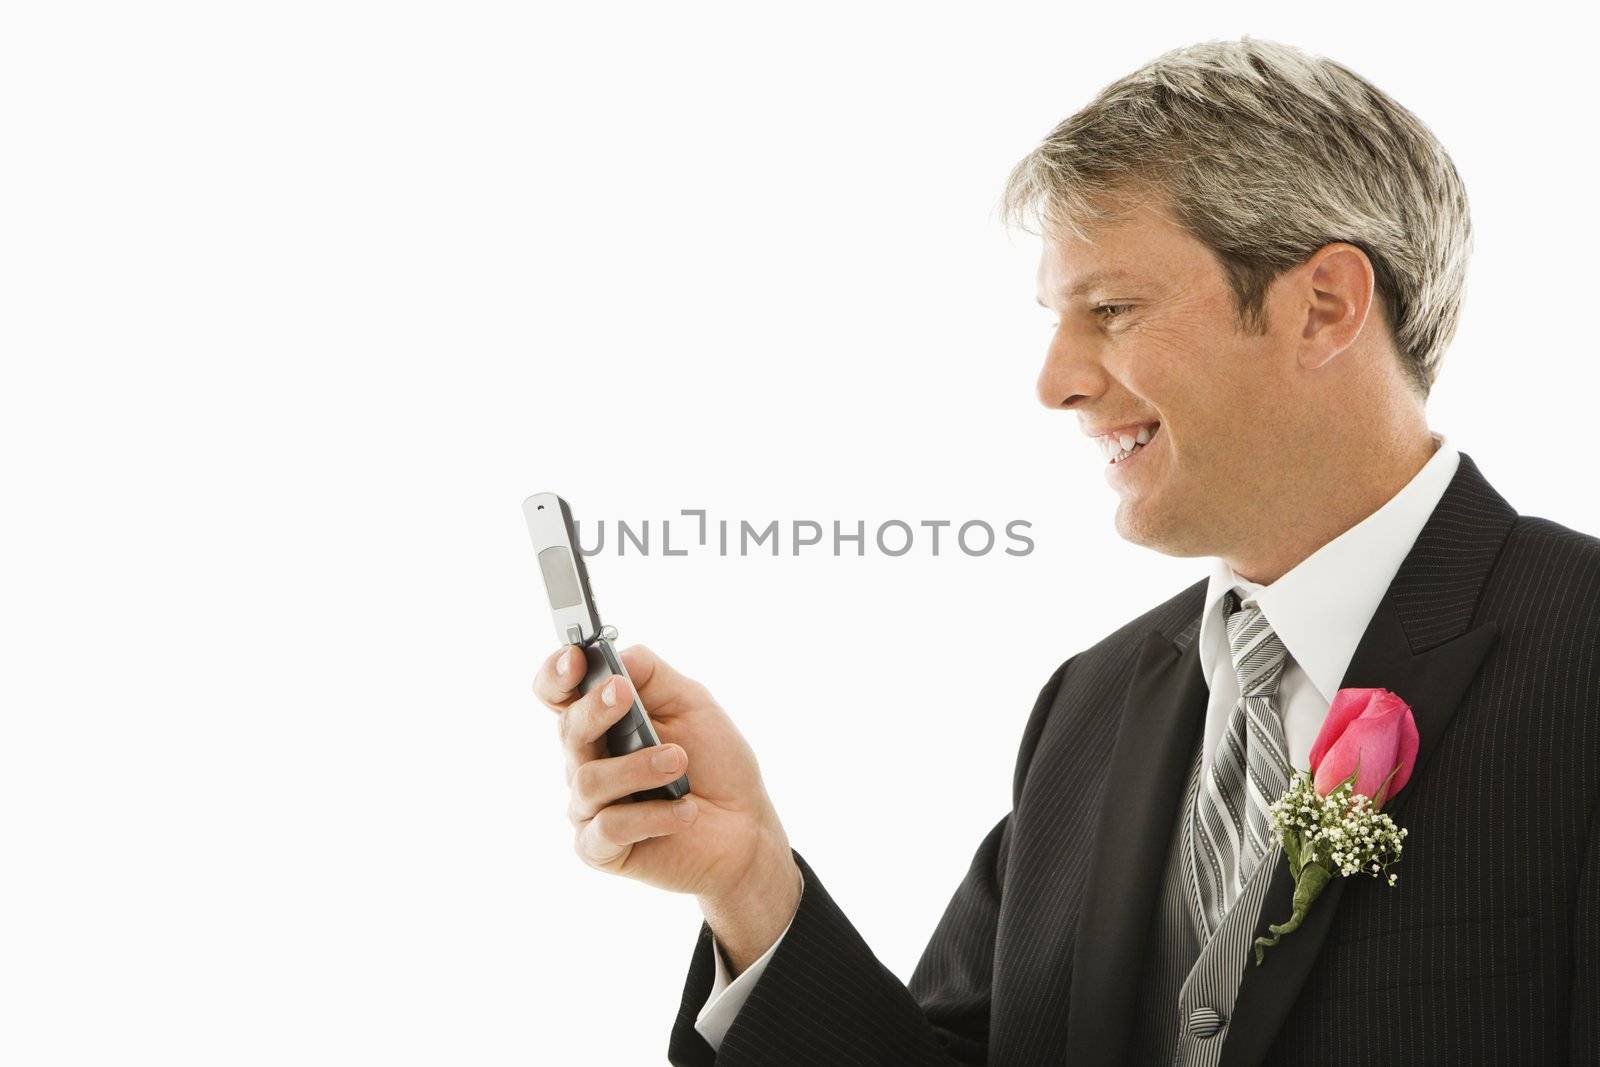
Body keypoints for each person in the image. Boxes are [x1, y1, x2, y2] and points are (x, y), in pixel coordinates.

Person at [533, 37, 1600, 1066]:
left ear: (1321, 305)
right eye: (1056, 317)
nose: (1056, 381)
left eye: (1113, 308)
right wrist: (751, 880)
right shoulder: (1084, 710)